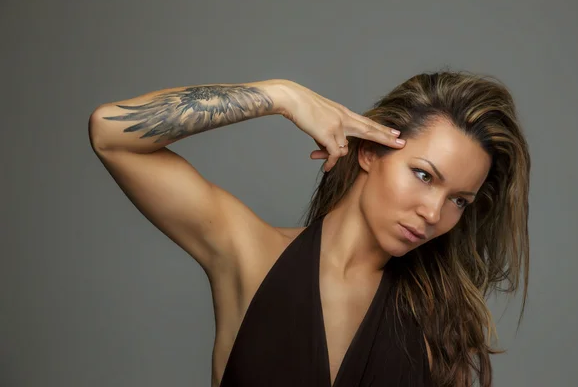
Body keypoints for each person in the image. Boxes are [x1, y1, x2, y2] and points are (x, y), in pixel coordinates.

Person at [88, 72, 530, 387]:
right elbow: (111, 133)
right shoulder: (254, 256)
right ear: (371, 153)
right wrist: (279, 95)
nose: (435, 212)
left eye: (459, 201)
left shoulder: (438, 322)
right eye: (423, 175)